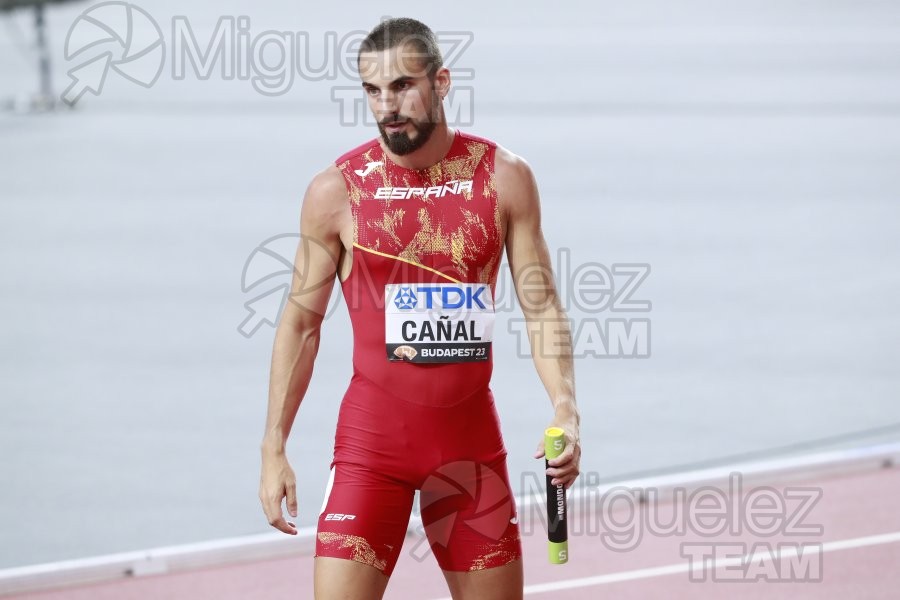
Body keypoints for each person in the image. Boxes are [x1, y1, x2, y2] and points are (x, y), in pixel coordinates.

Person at [259, 17, 580, 600]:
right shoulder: (336, 192)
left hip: (469, 452)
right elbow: (302, 324)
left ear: (442, 81)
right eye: (373, 91)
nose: (388, 105)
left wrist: (565, 408)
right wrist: (274, 446)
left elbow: (541, 306)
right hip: (369, 450)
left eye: (404, 85)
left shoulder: (504, 178)